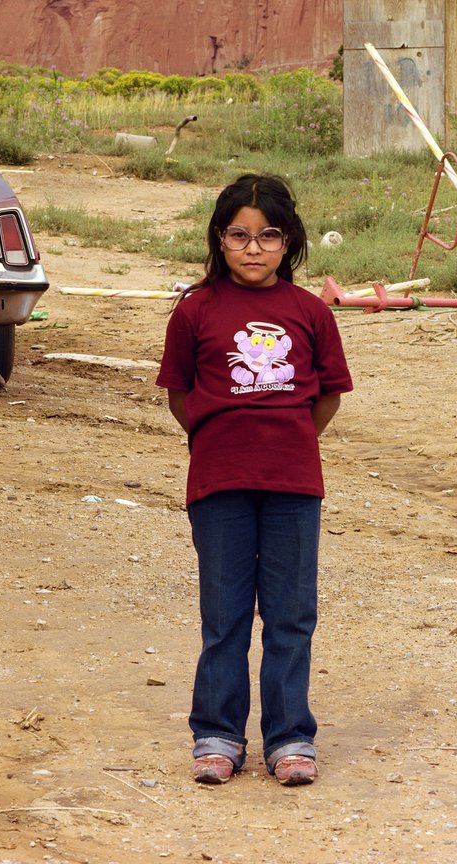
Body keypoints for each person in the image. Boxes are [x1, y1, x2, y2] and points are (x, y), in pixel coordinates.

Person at [155, 172, 351, 787]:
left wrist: (284, 442)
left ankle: (290, 737)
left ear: (288, 241)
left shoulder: (310, 312)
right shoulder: (195, 310)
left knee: (292, 614)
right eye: (239, 235)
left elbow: (327, 399)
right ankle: (216, 734)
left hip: (293, 483)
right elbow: (180, 396)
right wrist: (223, 442)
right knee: (226, 614)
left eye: (269, 235)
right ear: (219, 239)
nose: (254, 249)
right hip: (218, 484)